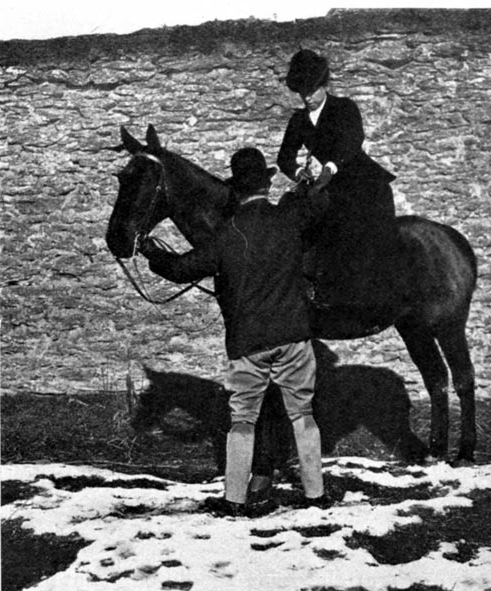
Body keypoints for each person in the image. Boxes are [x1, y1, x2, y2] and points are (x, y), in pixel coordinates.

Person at [139, 147, 330, 517]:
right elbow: (317, 207)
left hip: (248, 344)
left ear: (236, 190)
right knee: (302, 415)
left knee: (243, 420)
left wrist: (151, 251)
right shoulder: (290, 218)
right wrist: (310, 182)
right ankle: (315, 496)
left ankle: (235, 500)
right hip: (294, 337)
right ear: (266, 185)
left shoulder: (226, 235)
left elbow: (180, 269)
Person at [278, 49, 397, 316]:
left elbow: (352, 141)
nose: (307, 98)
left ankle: (367, 288)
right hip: (327, 185)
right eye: (302, 93)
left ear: (324, 86)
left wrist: (331, 166)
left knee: (352, 227)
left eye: (312, 91)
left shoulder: (344, 108)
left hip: (362, 181)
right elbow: (284, 157)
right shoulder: (298, 120)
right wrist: (298, 172)